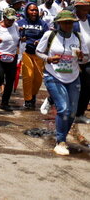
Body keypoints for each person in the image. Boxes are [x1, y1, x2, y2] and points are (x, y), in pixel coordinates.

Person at [37, 10, 89, 156]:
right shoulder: (50, 35)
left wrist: (81, 56)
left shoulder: (78, 37)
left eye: (71, 22)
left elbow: (84, 59)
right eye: (65, 22)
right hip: (53, 75)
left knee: (72, 111)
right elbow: (38, 51)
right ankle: (60, 141)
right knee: (64, 108)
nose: (68, 25)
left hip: (73, 78)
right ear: (59, 23)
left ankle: (62, 137)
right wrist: (48, 59)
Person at [17, 3, 50, 110]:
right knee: (28, 76)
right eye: (31, 10)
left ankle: (33, 95)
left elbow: (47, 37)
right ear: (27, 11)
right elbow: (13, 34)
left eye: (35, 10)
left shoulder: (43, 24)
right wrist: (20, 37)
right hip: (25, 52)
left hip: (39, 54)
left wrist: (40, 41)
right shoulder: (20, 23)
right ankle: (28, 100)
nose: (34, 12)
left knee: (38, 78)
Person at [0, 8, 21, 111]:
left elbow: (18, 40)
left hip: (12, 56)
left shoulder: (15, 26)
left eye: (13, 20)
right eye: (9, 20)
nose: (11, 22)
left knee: (10, 79)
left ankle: (5, 102)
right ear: (4, 18)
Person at [71, 0, 90, 124]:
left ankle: (80, 113)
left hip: (88, 59)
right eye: (83, 8)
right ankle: (52, 101)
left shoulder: (89, 19)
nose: (86, 10)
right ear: (77, 8)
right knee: (72, 87)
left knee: (87, 87)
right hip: (74, 60)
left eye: (87, 7)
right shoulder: (71, 21)